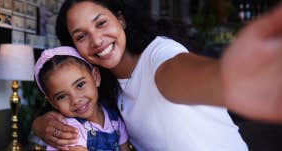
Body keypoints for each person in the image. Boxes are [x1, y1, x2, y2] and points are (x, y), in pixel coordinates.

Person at [32, 0, 282, 150]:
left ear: (121, 21)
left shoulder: (159, 54)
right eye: (81, 36)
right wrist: (40, 124)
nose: (96, 40)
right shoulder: (106, 90)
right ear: (75, 49)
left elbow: (178, 74)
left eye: (101, 23)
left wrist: (227, 77)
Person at [34, 46, 130, 151]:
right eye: (62, 96)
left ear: (96, 77)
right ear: (52, 102)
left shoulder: (114, 119)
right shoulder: (70, 129)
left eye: (80, 85)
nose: (75, 100)